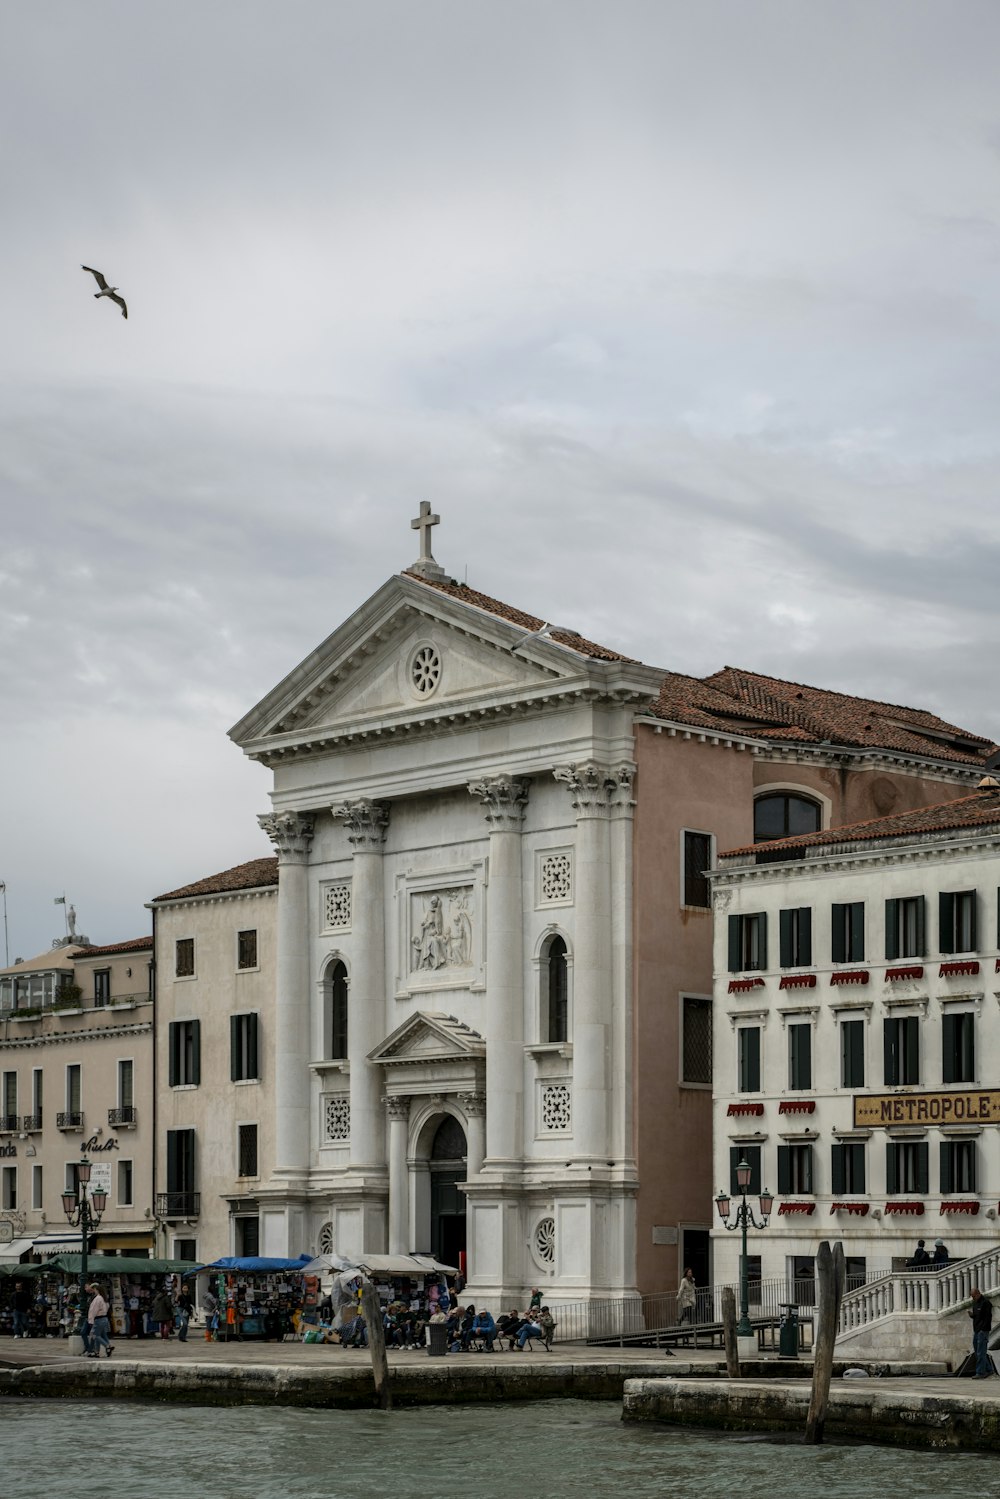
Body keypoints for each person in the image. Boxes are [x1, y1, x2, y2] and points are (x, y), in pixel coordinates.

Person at [970, 1287, 994, 1377]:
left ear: (978, 1294)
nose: (973, 1298)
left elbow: (988, 1317)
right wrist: (972, 1315)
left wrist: (983, 1329)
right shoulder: (975, 1303)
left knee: (981, 1352)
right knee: (977, 1351)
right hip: (976, 1329)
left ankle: (980, 1372)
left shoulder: (986, 1303)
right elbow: (977, 1316)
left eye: (973, 1296)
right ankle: (988, 1369)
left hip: (982, 1331)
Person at [86, 1283, 113, 1359]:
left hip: (98, 1319)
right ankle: (97, 1352)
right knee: (100, 1334)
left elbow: (93, 1310)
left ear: (97, 1290)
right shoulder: (104, 1299)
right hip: (104, 1319)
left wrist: (90, 1320)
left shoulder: (98, 1298)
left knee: (94, 1335)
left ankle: (107, 1346)